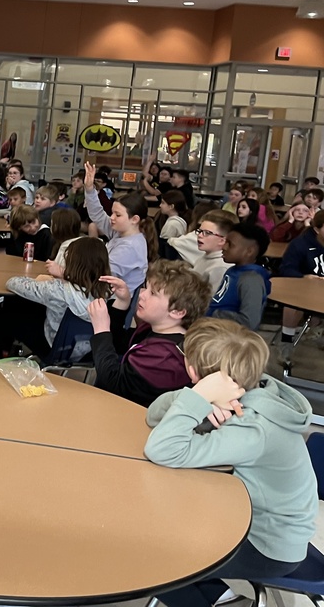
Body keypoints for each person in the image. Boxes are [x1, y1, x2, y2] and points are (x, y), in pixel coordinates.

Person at [147, 318, 316, 607]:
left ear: (192, 371)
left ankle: (205, 598)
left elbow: (162, 449)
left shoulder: (253, 429)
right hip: (248, 517)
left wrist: (199, 396)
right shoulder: (252, 390)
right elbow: (154, 415)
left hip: (268, 546)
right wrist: (201, 400)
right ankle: (221, 596)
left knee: (153, 562)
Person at [88, 261, 212, 406]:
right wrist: (122, 303)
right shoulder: (154, 329)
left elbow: (114, 383)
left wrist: (101, 329)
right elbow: (119, 344)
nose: (141, 295)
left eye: (152, 293)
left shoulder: (165, 357)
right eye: (145, 287)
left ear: (177, 312)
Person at [4, 237, 111, 360]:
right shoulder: (107, 291)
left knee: (4, 315)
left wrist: (48, 279)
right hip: (87, 350)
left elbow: (12, 283)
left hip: (53, 345)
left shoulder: (58, 290)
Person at [83, 161, 154, 294]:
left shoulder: (130, 248)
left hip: (111, 302)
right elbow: (97, 214)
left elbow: (101, 277)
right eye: (112, 213)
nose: (112, 217)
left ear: (134, 219)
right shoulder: (122, 233)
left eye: (118, 215)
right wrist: (89, 188)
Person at [207, 221, 271, 330]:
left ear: (249, 251)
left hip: (225, 337)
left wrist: (215, 314)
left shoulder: (251, 280)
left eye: (230, 244)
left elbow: (249, 322)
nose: (224, 247)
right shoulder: (233, 271)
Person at [277, 209, 324, 348]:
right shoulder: (300, 244)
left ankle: (317, 328)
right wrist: (304, 277)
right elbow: (286, 269)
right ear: (316, 229)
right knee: (292, 303)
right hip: (305, 287)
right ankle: (286, 342)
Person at [168, 209, 238, 294]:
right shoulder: (205, 257)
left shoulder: (220, 267)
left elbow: (210, 300)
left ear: (222, 240)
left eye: (207, 233)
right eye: (200, 231)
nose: (200, 235)